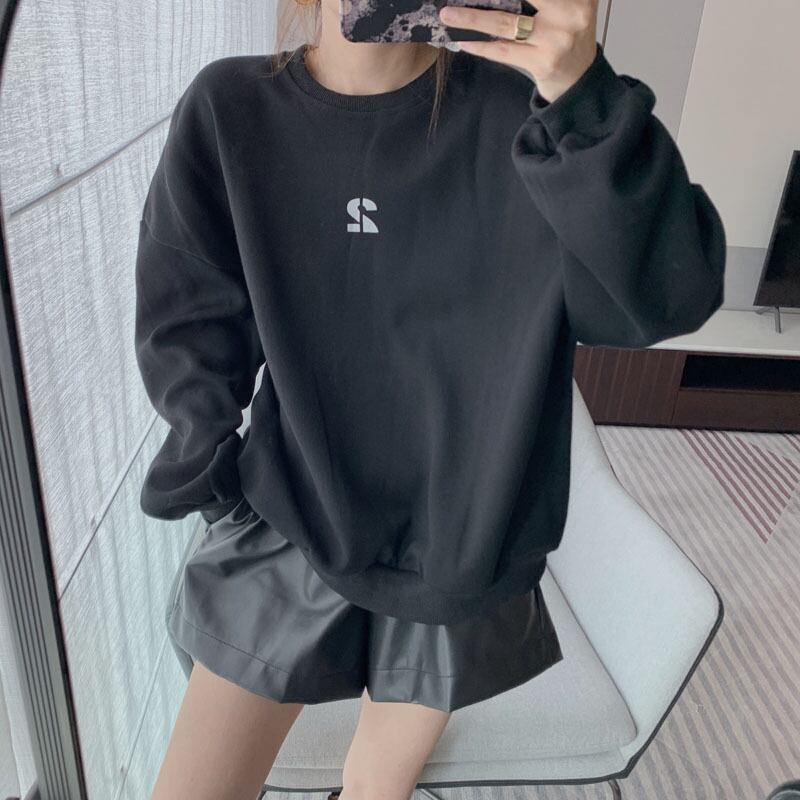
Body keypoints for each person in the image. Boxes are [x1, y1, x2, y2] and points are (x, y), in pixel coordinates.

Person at [134, 0, 727, 798]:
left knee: (376, 790)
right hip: (293, 510)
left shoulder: (530, 115)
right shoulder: (231, 108)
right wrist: (207, 472)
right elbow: (188, 315)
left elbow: (667, 299)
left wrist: (584, 97)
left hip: (463, 539)